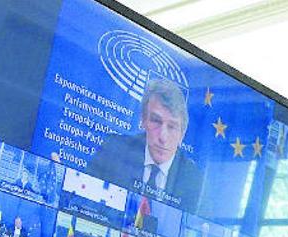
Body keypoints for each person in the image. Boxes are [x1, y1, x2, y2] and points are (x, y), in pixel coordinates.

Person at [87, 78, 203, 212]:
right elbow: (82, 201)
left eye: (172, 126)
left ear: (182, 134)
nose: (163, 137)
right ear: (143, 120)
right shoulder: (113, 151)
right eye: (156, 121)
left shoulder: (193, 180)